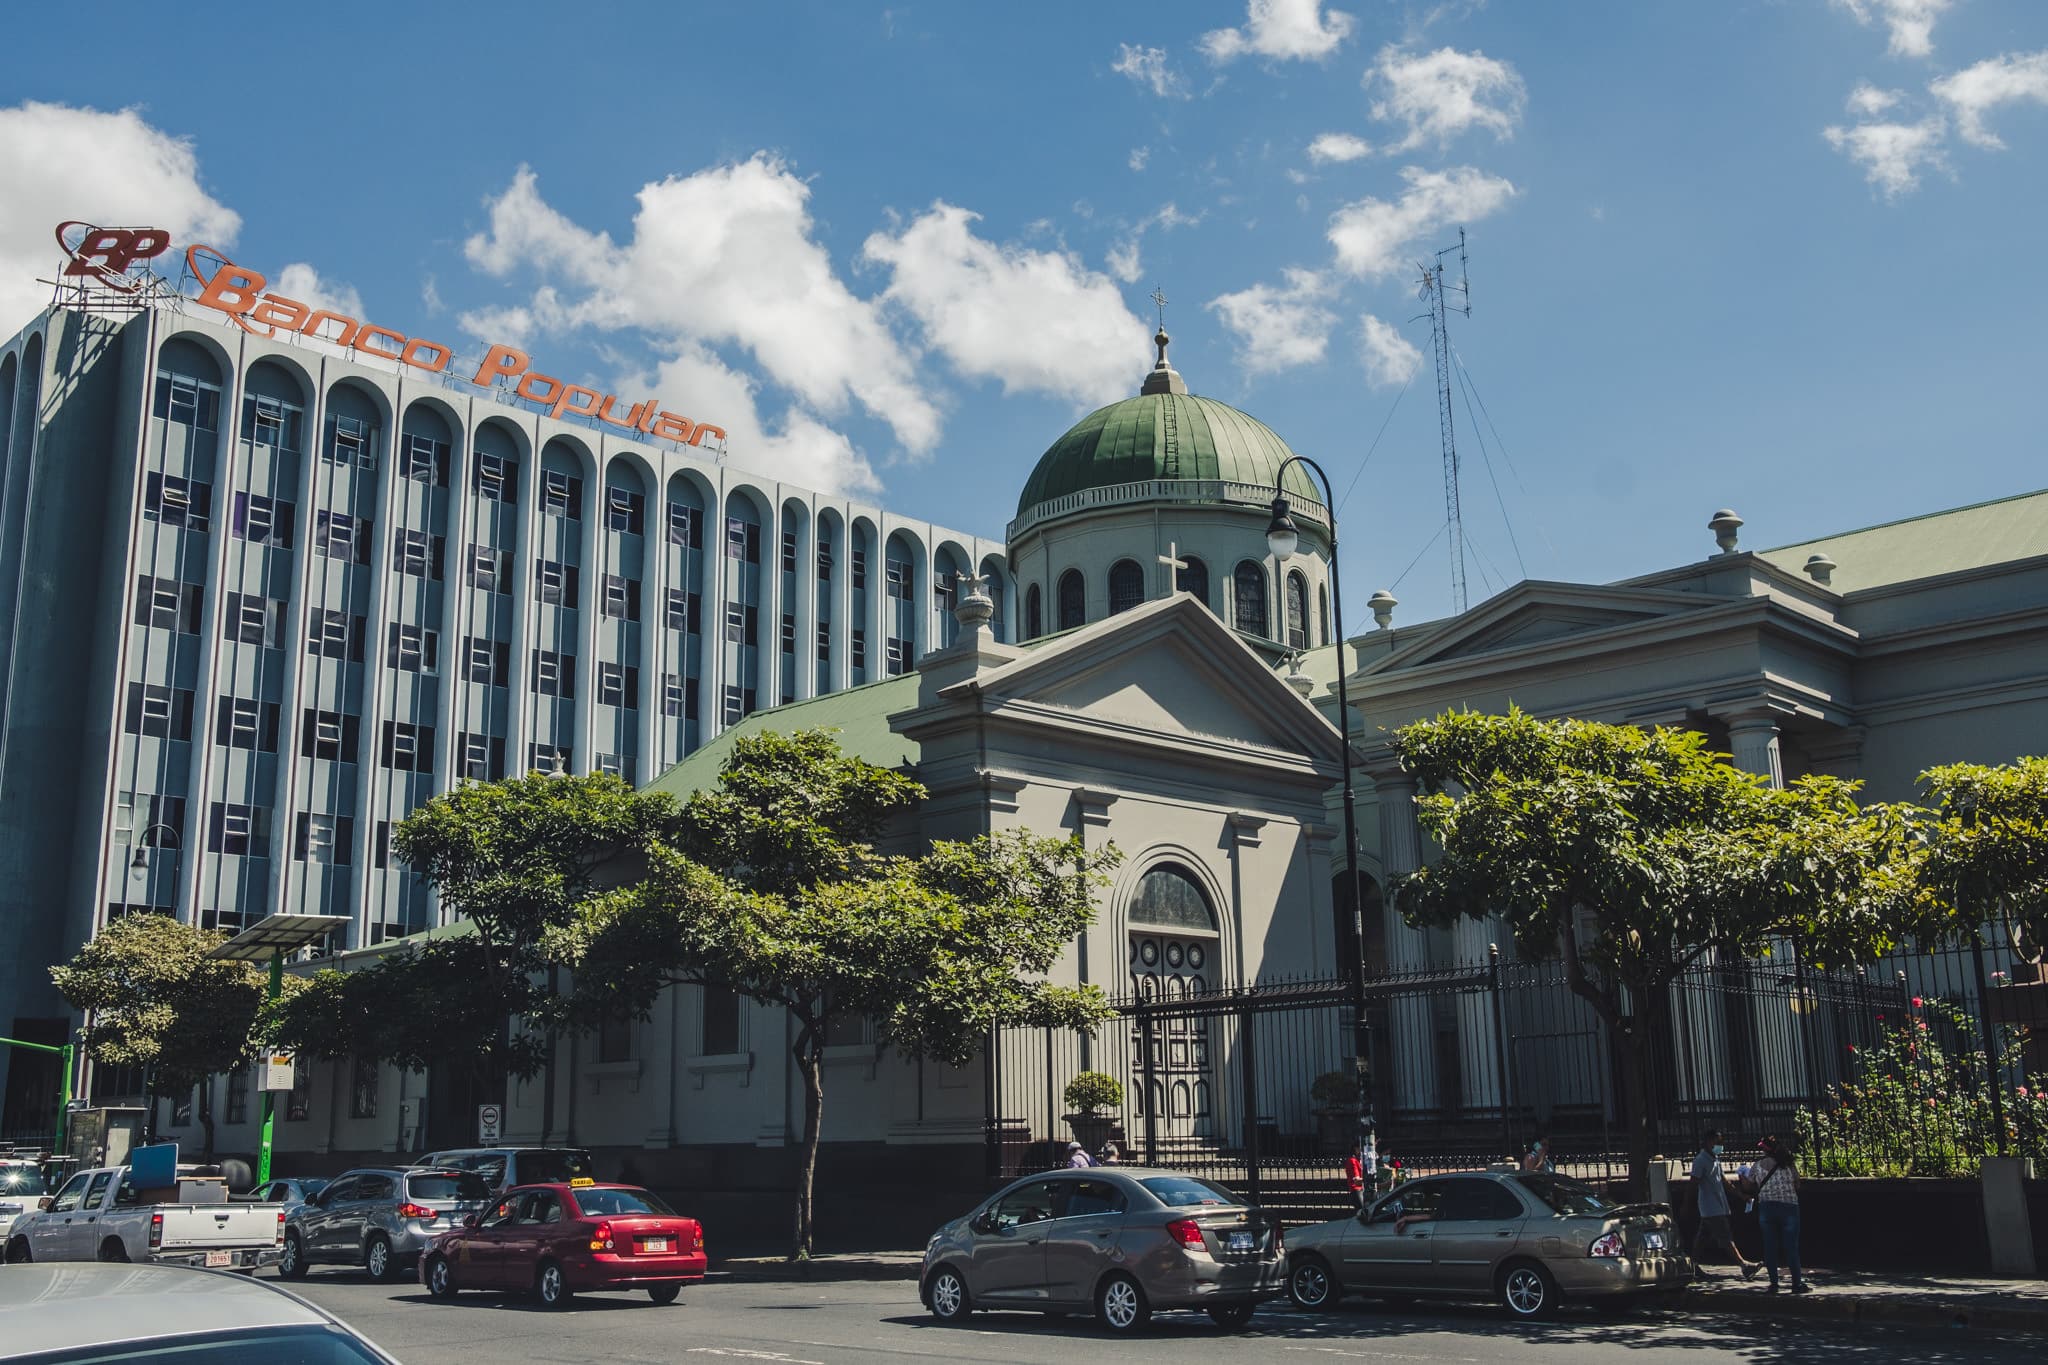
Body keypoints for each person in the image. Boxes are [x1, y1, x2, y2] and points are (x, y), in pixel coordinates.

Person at [1689, 1129, 1761, 1280]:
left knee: (1702, 1238)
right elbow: (1693, 1183)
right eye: (1718, 1142)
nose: (1721, 1146)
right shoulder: (1700, 1160)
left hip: (1716, 1205)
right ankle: (1744, 1266)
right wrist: (1686, 1204)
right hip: (1711, 1207)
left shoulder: (1714, 1159)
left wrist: (1742, 1196)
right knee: (1725, 1237)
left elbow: (1724, 1182)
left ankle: (1691, 1266)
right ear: (1709, 1142)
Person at [1753, 1135, 1808, 1294]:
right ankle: (1796, 1283)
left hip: (1766, 1208)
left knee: (1770, 1246)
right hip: (1789, 1208)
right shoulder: (1788, 1164)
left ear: (1765, 1150)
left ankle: (1774, 1283)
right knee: (1791, 1247)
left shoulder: (1757, 1166)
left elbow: (1749, 1184)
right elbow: (1797, 1184)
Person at [1343, 1143, 1367, 1212]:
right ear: (1355, 1149)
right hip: (1357, 1190)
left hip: (1360, 1189)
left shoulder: (1357, 1160)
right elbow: (1356, 1180)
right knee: (1362, 1212)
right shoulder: (1352, 1161)